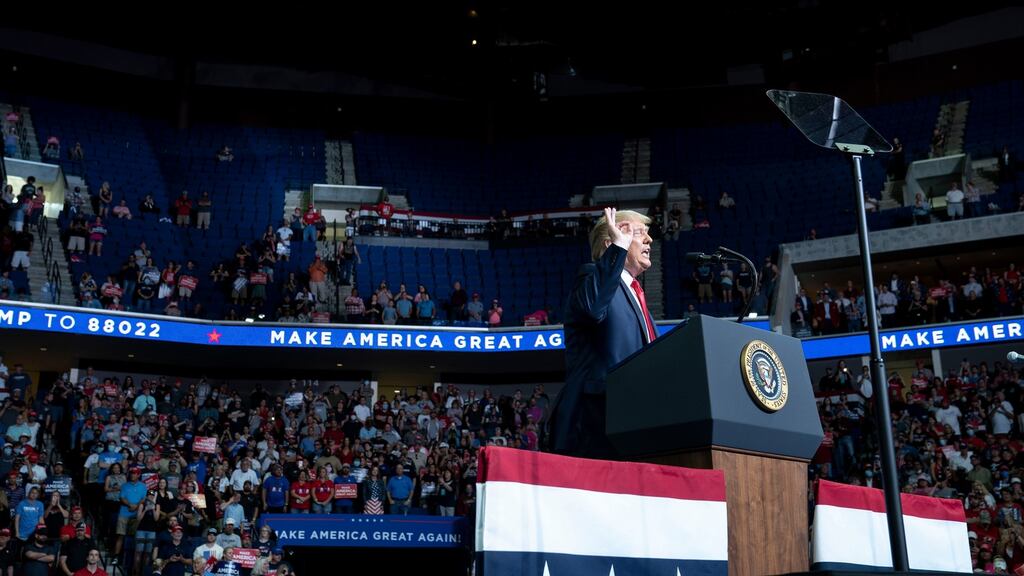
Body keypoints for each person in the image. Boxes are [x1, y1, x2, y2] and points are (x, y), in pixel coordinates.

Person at [550, 207, 654, 457]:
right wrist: (618, 249)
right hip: (596, 424)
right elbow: (594, 309)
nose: (649, 239)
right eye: (639, 233)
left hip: (634, 421)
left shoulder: (637, 296)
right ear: (612, 240)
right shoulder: (591, 276)